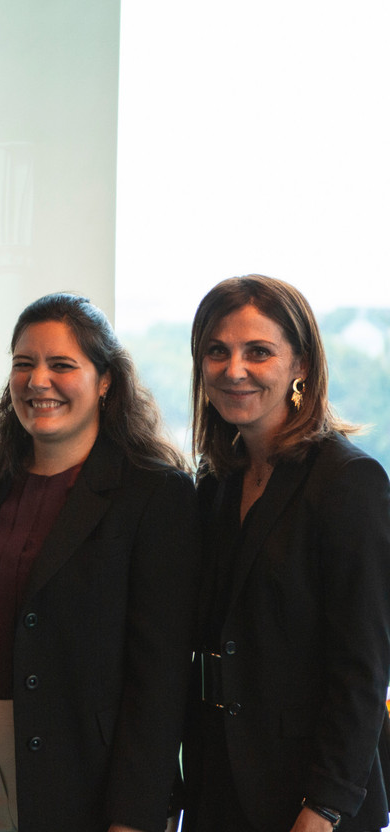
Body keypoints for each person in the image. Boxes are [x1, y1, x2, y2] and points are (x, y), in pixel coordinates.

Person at [0, 292, 199, 832]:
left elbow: (159, 678)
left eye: (62, 365)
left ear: (105, 379)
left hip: (90, 775)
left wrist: (135, 813)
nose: (37, 381)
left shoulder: (155, 493)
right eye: (23, 365)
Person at [182, 275, 390, 832]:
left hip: (310, 801)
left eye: (259, 352)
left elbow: (362, 669)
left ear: (300, 365)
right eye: (216, 351)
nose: (234, 370)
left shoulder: (349, 482)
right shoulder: (215, 482)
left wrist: (324, 807)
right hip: (218, 785)